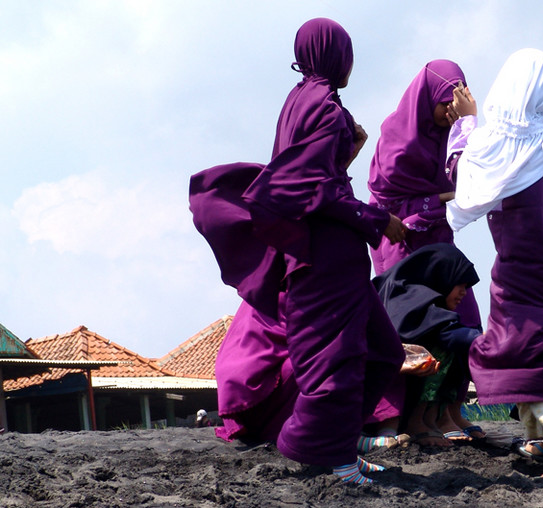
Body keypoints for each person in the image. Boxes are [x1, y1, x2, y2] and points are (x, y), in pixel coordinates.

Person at [189, 18, 406, 485]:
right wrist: (377, 219)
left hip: (315, 250)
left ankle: (336, 443)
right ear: (336, 56)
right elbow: (318, 189)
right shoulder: (325, 107)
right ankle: (326, 455)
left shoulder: (296, 101)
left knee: (384, 352)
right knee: (341, 360)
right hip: (328, 254)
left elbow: (306, 179)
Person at [444, 48, 543, 478]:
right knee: (528, 343)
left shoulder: (499, 137)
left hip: (529, 258)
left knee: (530, 349)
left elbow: (466, 180)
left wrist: (466, 122)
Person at [365, 60, 485, 446]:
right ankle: (399, 418)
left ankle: (448, 411)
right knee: (412, 328)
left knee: (462, 318)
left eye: (458, 102)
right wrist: (446, 197)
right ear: (426, 99)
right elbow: (391, 204)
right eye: (445, 103)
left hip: (437, 245)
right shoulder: (397, 140)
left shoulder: (450, 137)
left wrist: (468, 125)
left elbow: (474, 175)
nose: (451, 111)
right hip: (401, 246)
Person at [367, 243, 483, 447]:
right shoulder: (407, 299)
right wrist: (494, 342)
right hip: (374, 392)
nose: (464, 293)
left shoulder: (426, 301)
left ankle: (428, 419)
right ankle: (412, 422)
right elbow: (448, 334)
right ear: (442, 276)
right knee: (439, 347)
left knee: (453, 345)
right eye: (461, 285)